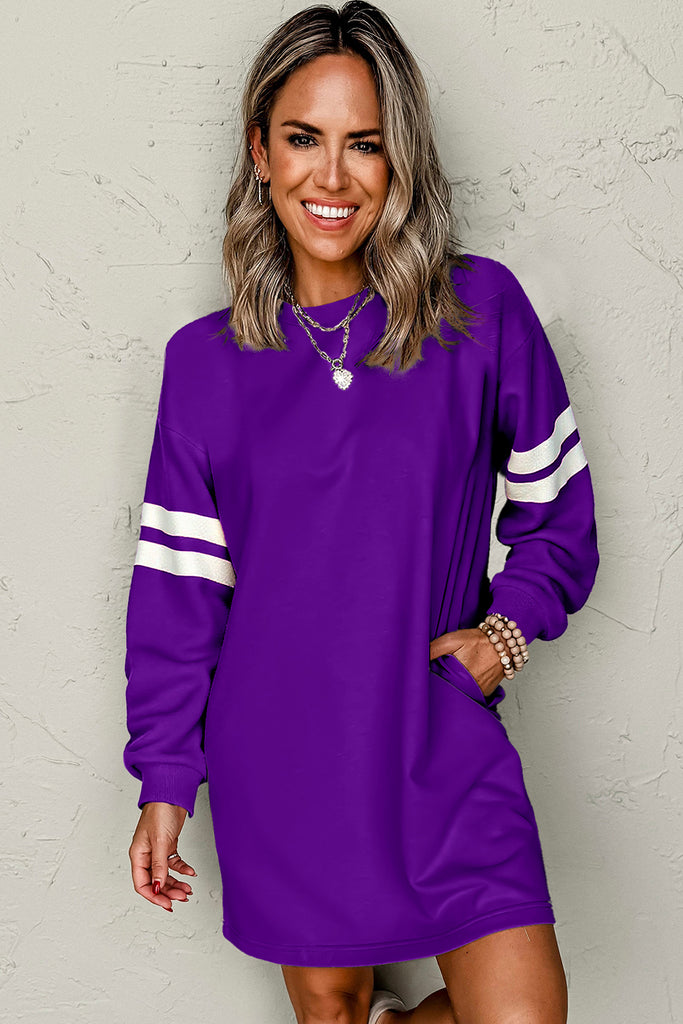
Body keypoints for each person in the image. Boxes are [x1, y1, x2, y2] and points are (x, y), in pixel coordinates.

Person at [122, 3, 599, 1022]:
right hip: (280, 759)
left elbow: (557, 513)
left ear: (400, 161)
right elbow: (179, 592)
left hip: (438, 736)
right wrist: (164, 780)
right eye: (303, 138)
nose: (331, 177)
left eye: (365, 144)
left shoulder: (478, 314)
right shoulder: (204, 365)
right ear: (260, 151)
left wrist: (500, 640)